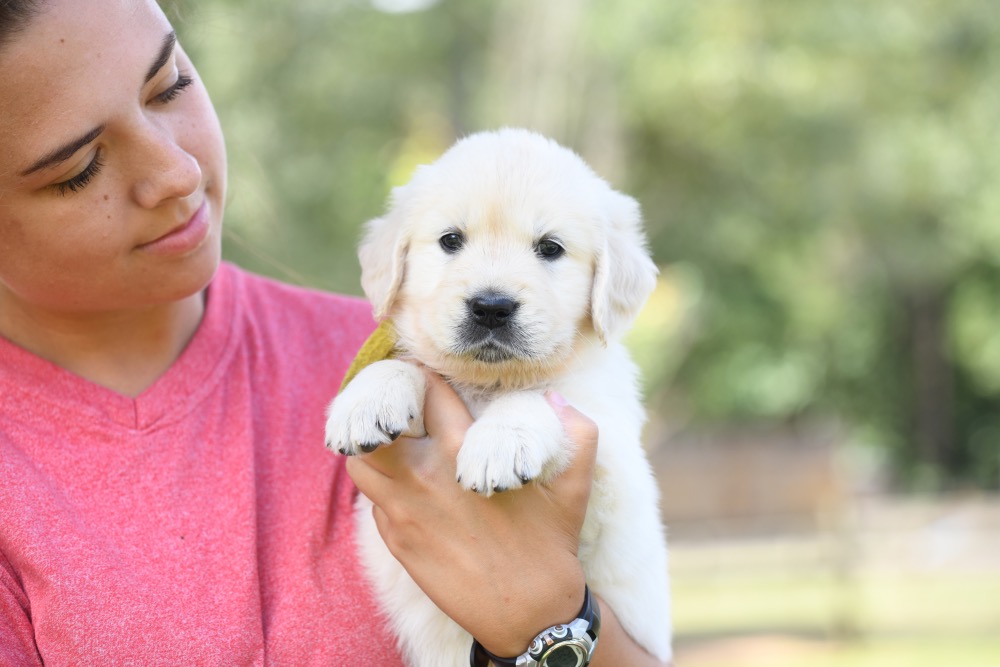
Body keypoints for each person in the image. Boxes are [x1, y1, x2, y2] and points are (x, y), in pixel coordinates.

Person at [0, 1, 671, 665]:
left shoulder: (377, 347)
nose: (178, 173)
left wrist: (550, 621)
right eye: (79, 168)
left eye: (169, 84)